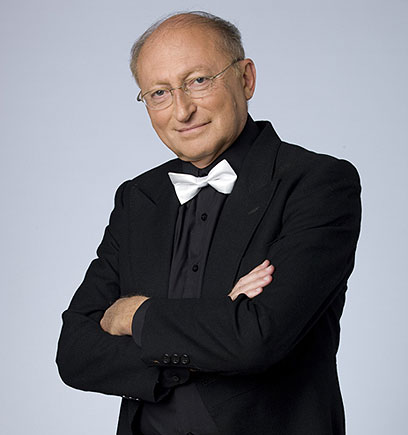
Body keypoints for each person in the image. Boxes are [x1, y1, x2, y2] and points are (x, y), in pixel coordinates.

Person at [56, 11, 361, 435]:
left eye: (198, 80)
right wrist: (215, 327)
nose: (182, 110)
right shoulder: (137, 198)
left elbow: (256, 339)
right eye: (159, 92)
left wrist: (135, 316)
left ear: (246, 79)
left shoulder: (317, 182)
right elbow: (74, 353)